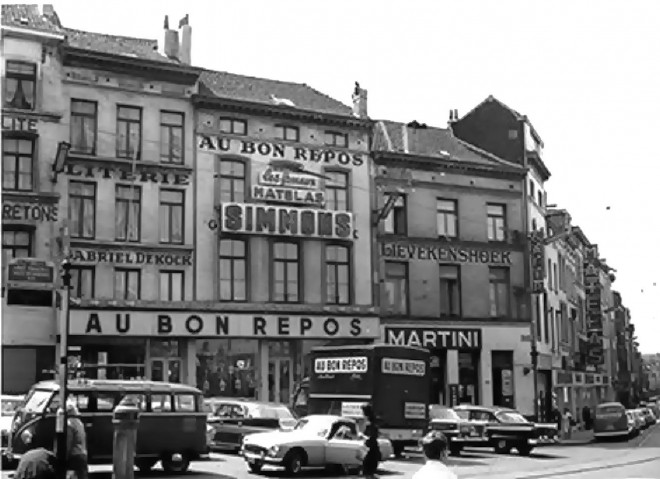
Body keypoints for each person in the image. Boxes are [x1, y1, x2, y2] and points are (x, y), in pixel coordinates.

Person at [65, 403, 88, 479]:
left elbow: (69, 442)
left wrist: (65, 457)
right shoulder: (79, 423)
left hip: (74, 456)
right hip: (82, 454)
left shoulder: (69, 424)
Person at [361, 404, 381, 479]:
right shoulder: (372, 422)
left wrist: (363, 437)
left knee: (368, 471)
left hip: (370, 449)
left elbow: (371, 436)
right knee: (369, 471)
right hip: (372, 448)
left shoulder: (370, 423)